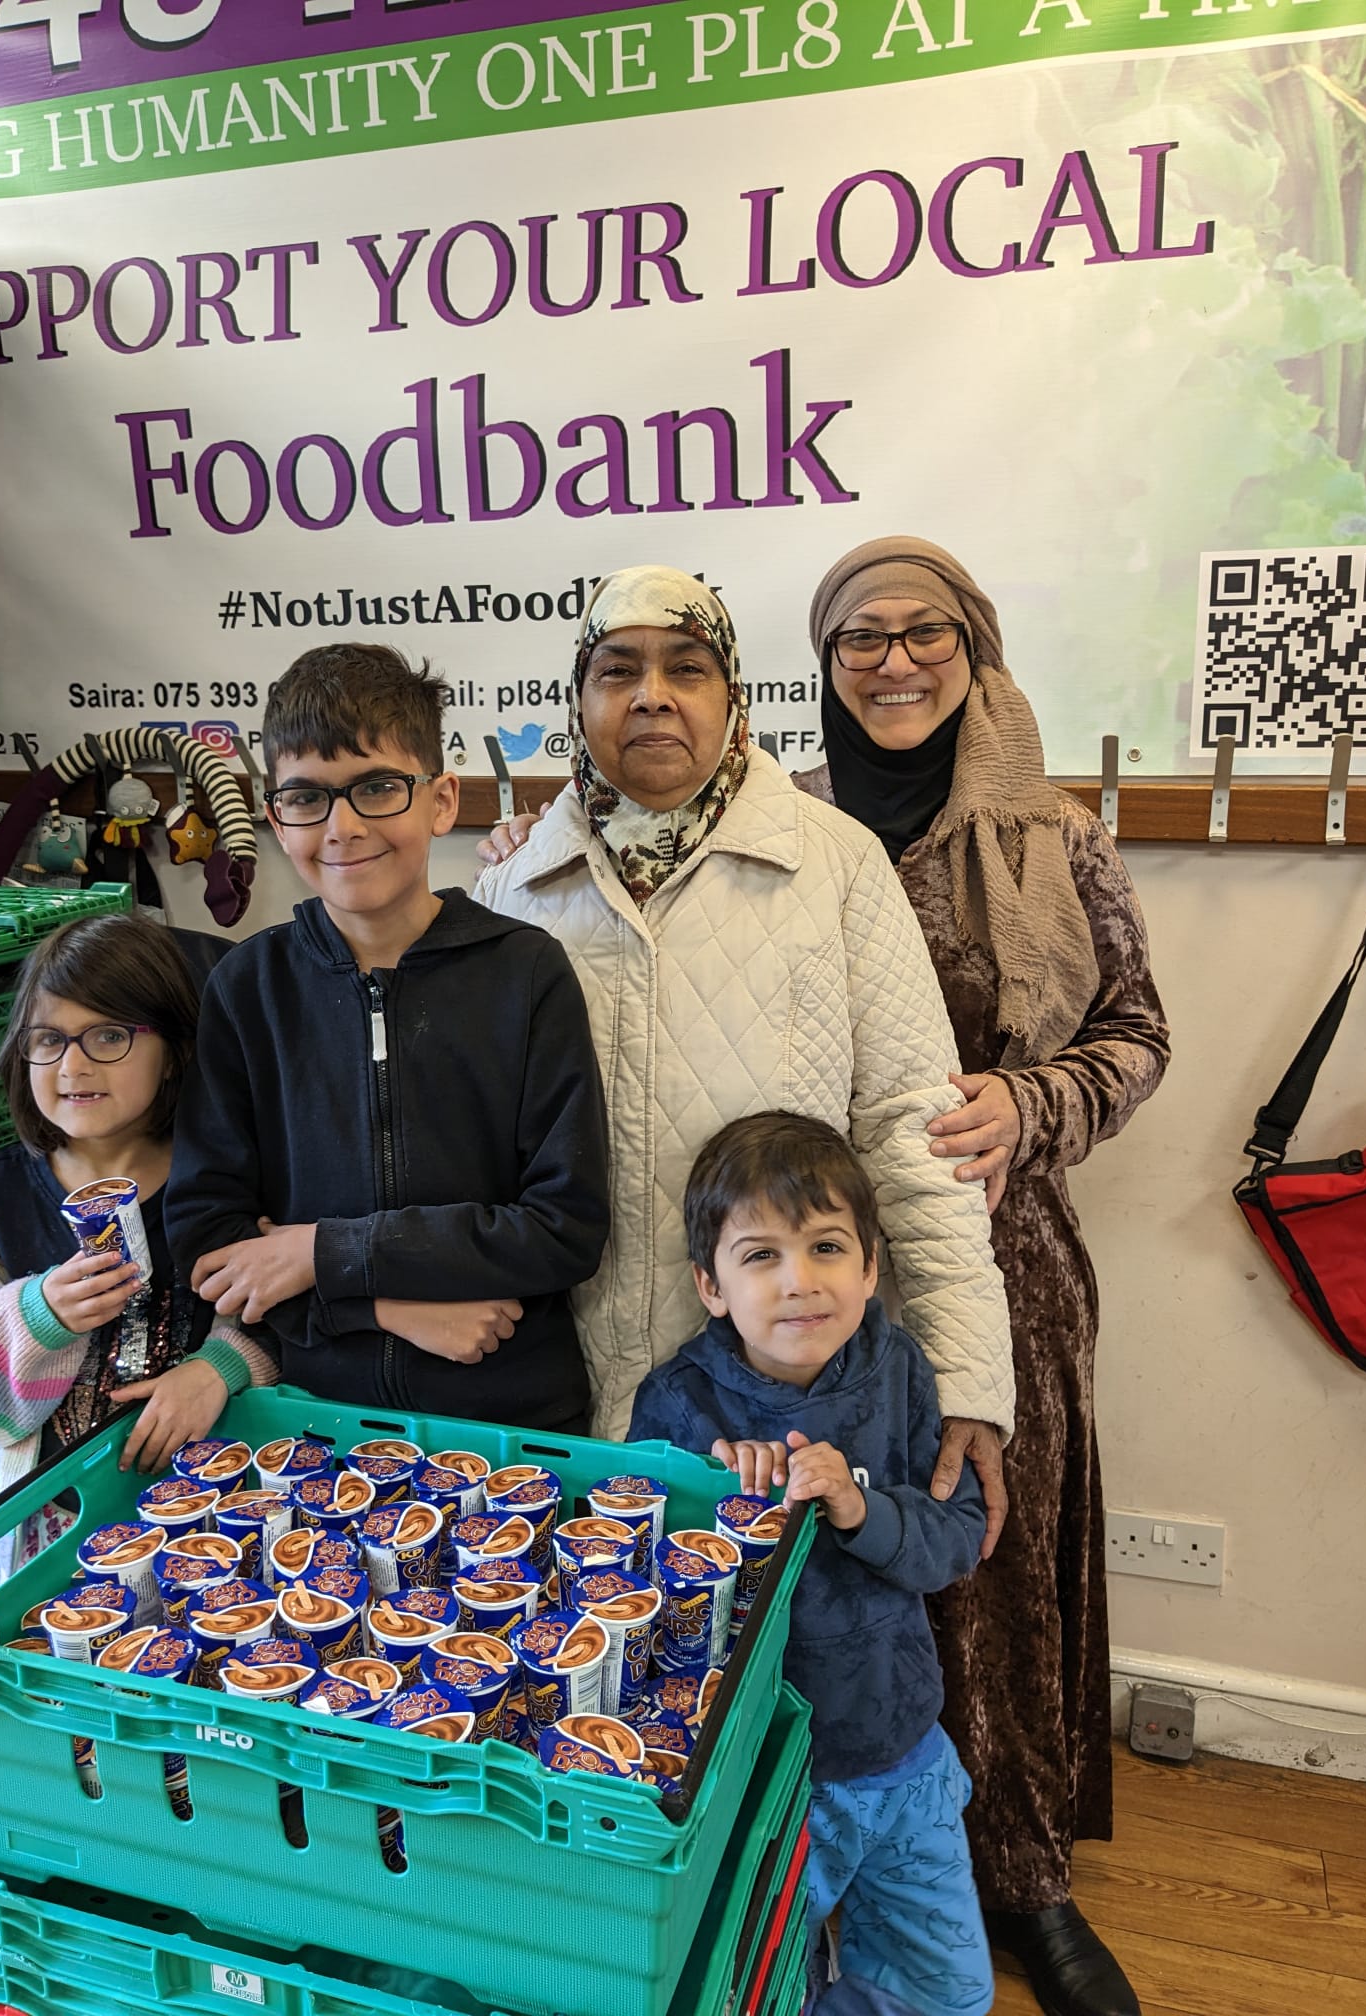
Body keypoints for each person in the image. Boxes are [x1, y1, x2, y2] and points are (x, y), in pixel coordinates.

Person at [797, 538, 1169, 2016]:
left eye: (923, 633)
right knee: (841, 1562)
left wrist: (1034, 1102)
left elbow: (1139, 1036)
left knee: (993, 1561)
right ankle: (837, 1866)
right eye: (857, 641)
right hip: (818, 1280)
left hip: (1007, 1266)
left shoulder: (1057, 838)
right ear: (822, 668)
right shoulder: (791, 836)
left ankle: (1020, 1877)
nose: (893, 663)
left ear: (977, 646)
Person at [475, 565, 1014, 1521]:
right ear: (578, 698)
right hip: (556, 1387)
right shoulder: (513, 891)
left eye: (687, 667)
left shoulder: (834, 862)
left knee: (781, 1651)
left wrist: (967, 1372)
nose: (652, 696)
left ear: (732, 695)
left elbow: (911, 1127)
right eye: (617, 670)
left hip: (787, 1402)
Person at [164, 644, 609, 1431]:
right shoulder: (246, 989)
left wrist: (315, 1253)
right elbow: (213, 1247)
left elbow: (564, 1229)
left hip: (511, 1414)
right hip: (310, 1421)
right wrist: (380, 1305)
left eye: (377, 788)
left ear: (440, 801)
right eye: (307, 797)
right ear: (275, 818)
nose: (343, 827)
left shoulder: (526, 972)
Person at [630, 1112, 992, 2016]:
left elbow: (956, 1536)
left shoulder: (899, 1368)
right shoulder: (680, 1401)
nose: (800, 1282)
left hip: (902, 1747)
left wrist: (862, 1509)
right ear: (710, 1286)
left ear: (871, 1268)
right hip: (761, 1785)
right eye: (761, 1257)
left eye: (828, 1247)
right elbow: (639, 1600)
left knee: (948, 1997)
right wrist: (723, 1512)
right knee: (754, 1988)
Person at [0, 912, 277, 1564]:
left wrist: (221, 1365)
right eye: (47, 1039)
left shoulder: (230, 1174)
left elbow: (292, 1316)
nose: (72, 1064)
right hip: (56, 1546)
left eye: (107, 1035)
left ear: (174, 1050)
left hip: (225, 1519)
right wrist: (35, 1318)